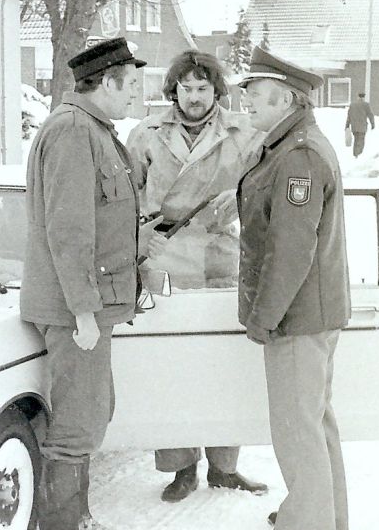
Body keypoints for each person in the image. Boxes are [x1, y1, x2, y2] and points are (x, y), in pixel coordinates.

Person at [20, 37, 160, 530]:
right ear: (106, 83)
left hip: (89, 306)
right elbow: (70, 230)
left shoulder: (92, 129)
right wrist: (83, 311)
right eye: (131, 85)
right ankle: (62, 523)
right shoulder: (74, 132)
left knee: (93, 413)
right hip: (75, 309)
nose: (136, 95)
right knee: (76, 425)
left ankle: (76, 516)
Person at [125, 49, 268, 503]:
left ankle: (225, 467)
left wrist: (238, 196)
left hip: (219, 255)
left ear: (216, 90)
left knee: (223, 362)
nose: (194, 97)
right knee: (171, 364)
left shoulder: (244, 133)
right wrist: (142, 239)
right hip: (164, 256)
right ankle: (181, 468)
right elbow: (126, 195)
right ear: (173, 91)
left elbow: (266, 186)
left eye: (202, 88)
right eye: (185, 88)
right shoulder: (146, 134)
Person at [237, 46, 352, 530]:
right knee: (313, 428)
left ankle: (308, 523)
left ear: (285, 99)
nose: (246, 102)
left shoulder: (298, 155)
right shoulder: (290, 146)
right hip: (308, 314)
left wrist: (263, 317)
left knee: (298, 434)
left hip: (296, 319)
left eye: (255, 94)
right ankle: (324, 518)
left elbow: (290, 250)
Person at [344, 92, 374, 158]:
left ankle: (355, 154)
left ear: (358, 97)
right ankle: (359, 155)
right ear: (363, 97)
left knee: (356, 140)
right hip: (362, 127)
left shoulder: (352, 105)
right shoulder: (366, 105)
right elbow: (370, 115)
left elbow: (349, 116)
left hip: (354, 127)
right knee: (361, 141)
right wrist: (372, 124)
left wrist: (347, 125)